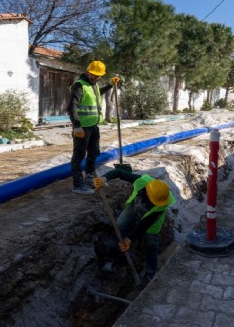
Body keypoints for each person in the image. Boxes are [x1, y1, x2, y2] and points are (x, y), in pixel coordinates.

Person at [93, 169, 176, 281]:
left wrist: (129, 239)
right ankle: (118, 257)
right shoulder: (141, 181)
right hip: (136, 205)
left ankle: (150, 273)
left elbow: (145, 223)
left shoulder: (163, 201)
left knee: (151, 244)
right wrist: (104, 178)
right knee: (120, 224)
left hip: (152, 220)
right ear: (148, 192)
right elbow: (119, 172)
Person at [68, 61, 120, 194]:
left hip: (93, 126)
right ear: (88, 71)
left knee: (94, 152)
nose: (95, 77)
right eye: (93, 75)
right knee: (79, 156)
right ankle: (78, 185)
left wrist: (110, 85)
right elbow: (71, 106)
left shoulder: (94, 85)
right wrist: (77, 126)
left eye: (98, 76)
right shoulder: (79, 85)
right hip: (82, 128)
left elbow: (98, 93)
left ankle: (89, 178)